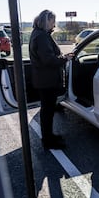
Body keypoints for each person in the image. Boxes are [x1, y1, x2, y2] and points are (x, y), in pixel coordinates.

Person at [29, 9, 74, 149]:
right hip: (47, 81)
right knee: (47, 112)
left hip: (43, 80)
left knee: (47, 111)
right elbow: (49, 60)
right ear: (46, 20)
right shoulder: (42, 36)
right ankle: (48, 141)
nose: (54, 24)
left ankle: (48, 136)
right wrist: (65, 58)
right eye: (52, 21)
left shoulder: (38, 34)